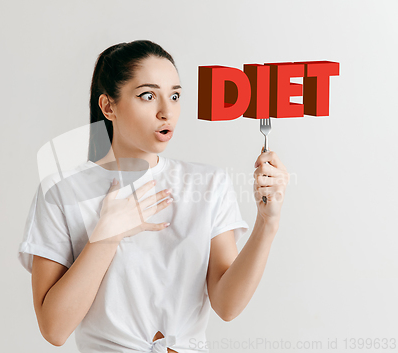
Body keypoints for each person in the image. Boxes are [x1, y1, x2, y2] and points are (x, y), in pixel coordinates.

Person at [18, 40, 290, 353]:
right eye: (148, 95)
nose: (166, 111)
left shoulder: (208, 183)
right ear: (109, 107)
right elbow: (54, 329)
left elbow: (227, 306)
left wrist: (268, 223)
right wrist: (106, 236)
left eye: (174, 96)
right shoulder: (62, 191)